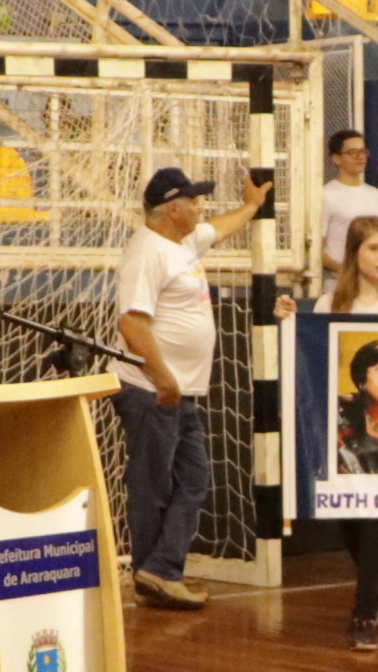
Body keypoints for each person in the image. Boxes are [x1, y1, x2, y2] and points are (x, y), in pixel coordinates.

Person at [112, 159, 273, 610]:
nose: (201, 206)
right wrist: (163, 379)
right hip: (152, 391)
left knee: (194, 478)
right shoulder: (147, 252)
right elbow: (132, 323)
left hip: (179, 392)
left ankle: (159, 570)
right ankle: (155, 572)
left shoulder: (181, 243)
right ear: (172, 208)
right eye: (194, 199)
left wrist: (252, 205)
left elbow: (218, 229)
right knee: (152, 483)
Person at [319, 217, 378, 651]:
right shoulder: (327, 305)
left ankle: (363, 614)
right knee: (345, 520)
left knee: (375, 516)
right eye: (375, 249)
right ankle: (374, 586)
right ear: (355, 251)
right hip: (339, 433)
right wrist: (285, 320)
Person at [318, 126, 378, 273]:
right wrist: (347, 272)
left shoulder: (375, 195)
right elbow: (316, 249)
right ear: (336, 158)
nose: (360, 157)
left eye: (363, 152)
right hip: (338, 281)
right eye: (352, 153)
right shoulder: (325, 195)